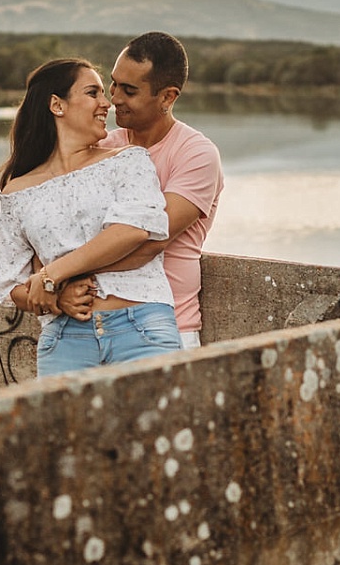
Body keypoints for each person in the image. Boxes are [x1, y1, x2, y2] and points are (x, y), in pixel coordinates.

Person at [0, 58, 182, 376]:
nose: (107, 103)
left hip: (141, 328)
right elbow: (9, 284)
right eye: (93, 93)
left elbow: (133, 230)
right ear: (57, 105)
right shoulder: (17, 192)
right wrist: (58, 298)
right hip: (65, 339)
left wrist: (50, 275)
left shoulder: (129, 161)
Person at [54, 32, 224, 349]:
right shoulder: (103, 145)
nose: (114, 98)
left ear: (168, 97)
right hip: (92, 327)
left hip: (166, 330)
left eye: (129, 90)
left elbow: (147, 243)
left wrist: (57, 274)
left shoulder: (196, 154)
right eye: (114, 84)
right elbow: (56, 226)